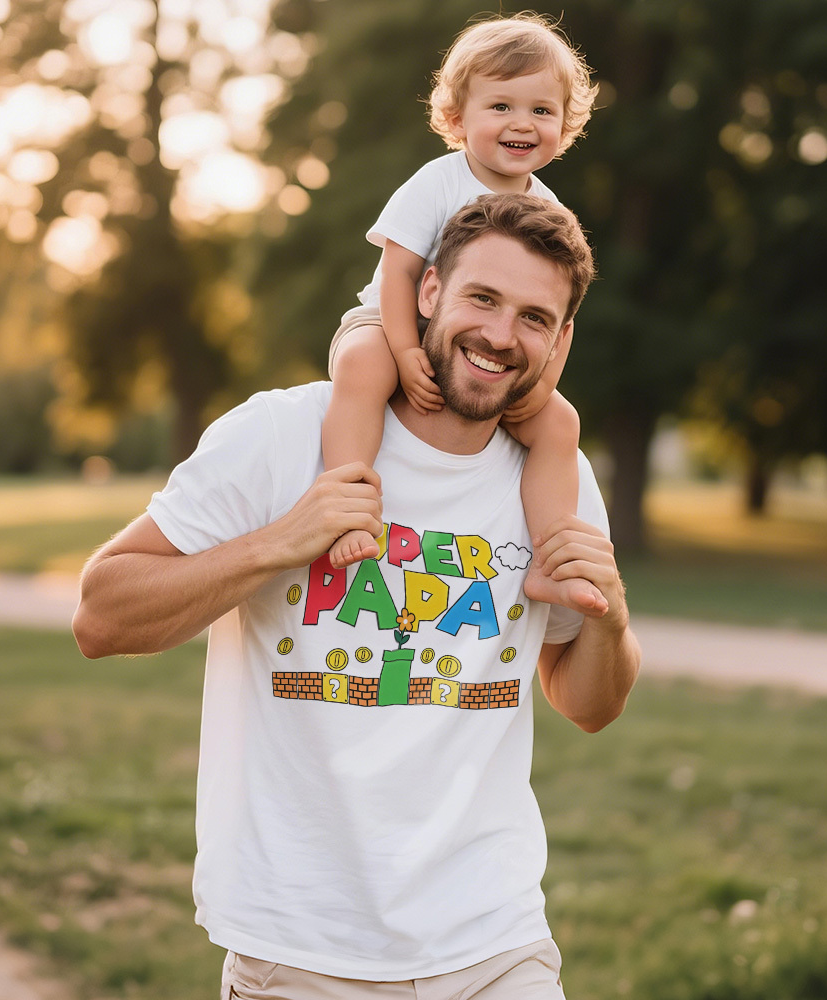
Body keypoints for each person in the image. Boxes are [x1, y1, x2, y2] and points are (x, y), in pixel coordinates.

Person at [73, 193, 641, 999]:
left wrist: (609, 618)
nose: (501, 336)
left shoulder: (557, 480)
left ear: (563, 339)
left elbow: (588, 704)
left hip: (494, 941)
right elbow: (100, 615)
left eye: (535, 317)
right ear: (429, 292)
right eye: (483, 298)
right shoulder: (281, 435)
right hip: (303, 948)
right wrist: (281, 541)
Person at [323, 13, 599, 614]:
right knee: (363, 369)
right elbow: (400, 275)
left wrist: (543, 382)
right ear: (457, 119)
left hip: (482, 352)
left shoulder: (548, 210)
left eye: (541, 110)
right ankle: (345, 512)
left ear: (564, 124)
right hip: (389, 322)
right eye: (500, 106)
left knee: (560, 424)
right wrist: (404, 350)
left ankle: (554, 560)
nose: (522, 123)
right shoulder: (436, 184)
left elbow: (562, 313)